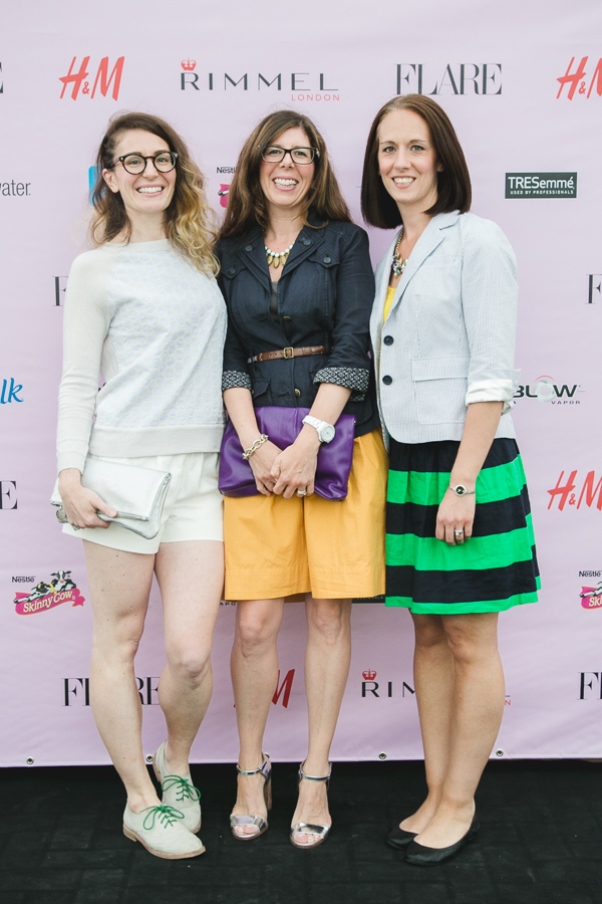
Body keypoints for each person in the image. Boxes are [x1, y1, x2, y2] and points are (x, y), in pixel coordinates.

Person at [361, 95, 540, 866]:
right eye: (387, 149)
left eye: (415, 146)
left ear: (442, 157)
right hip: (410, 462)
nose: (400, 162)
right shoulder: (396, 249)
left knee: (469, 638)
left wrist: (463, 483)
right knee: (428, 632)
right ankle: (436, 791)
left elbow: (492, 373)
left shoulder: (478, 239)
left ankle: (461, 803)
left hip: (467, 461)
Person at [56, 113, 227, 860]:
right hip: (120, 475)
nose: (150, 171)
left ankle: (175, 763)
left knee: (189, 653)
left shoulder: (206, 256)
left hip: (200, 476)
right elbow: (76, 381)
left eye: (162, 158)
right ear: (111, 176)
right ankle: (138, 799)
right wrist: (69, 474)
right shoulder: (96, 269)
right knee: (118, 642)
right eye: (133, 161)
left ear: (177, 170)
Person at [216, 110, 387, 849]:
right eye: (275, 152)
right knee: (254, 621)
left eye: (303, 152)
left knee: (326, 616)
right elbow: (225, 354)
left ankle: (315, 773)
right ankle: (250, 769)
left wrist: (312, 437)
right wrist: (258, 445)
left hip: (340, 439)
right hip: (255, 448)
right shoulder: (225, 251)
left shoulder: (344, 241)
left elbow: (352, 341)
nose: (288, 164)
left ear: (317, 166)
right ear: (254, 163)